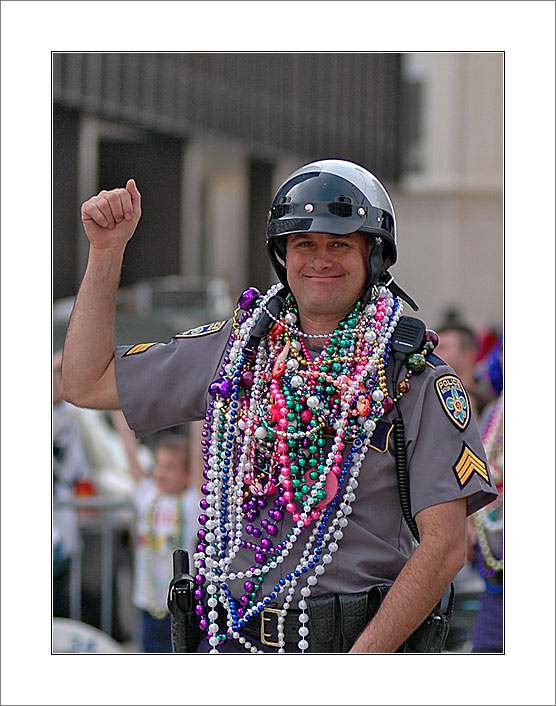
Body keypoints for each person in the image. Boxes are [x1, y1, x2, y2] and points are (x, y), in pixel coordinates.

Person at [61, 159, 497, 653]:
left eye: (340, 244)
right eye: (304, 244)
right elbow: (85, 381)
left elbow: (444, 548)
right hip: (232, 643)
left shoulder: (415, 377)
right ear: (281, 254)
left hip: (354, 647)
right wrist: (106, 251)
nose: (320, 259)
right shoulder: (237, 349)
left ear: (373, 256)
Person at [112, 412, 200, 652]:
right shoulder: (148, 496)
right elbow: (130, 450)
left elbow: (198, 454)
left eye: (170, 467)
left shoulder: (193, 502)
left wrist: (198, 411)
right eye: (158, 465)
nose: (160, 473)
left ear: (187, 475)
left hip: (183, 606)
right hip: (149, 603)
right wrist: (117, 409)